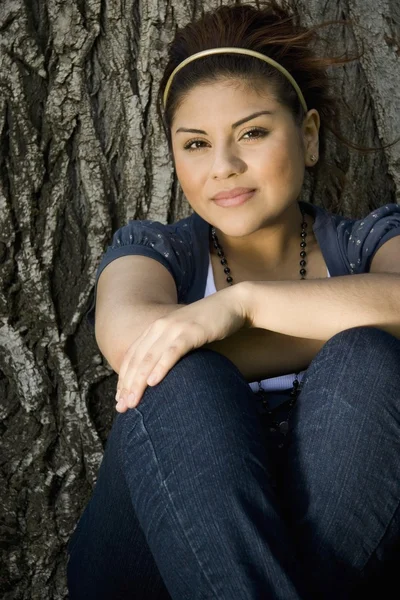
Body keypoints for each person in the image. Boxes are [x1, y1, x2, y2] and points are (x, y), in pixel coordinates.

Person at [67, 2, 400, 598]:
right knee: (175, 377)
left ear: (309, 134)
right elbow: (136, 346)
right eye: (195, 144)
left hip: (339, 551)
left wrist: (240, 305)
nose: (223, 166)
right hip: (150, 560)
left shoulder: (366, 243)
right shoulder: (155, 251)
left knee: (370, 359)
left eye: (252, 132)